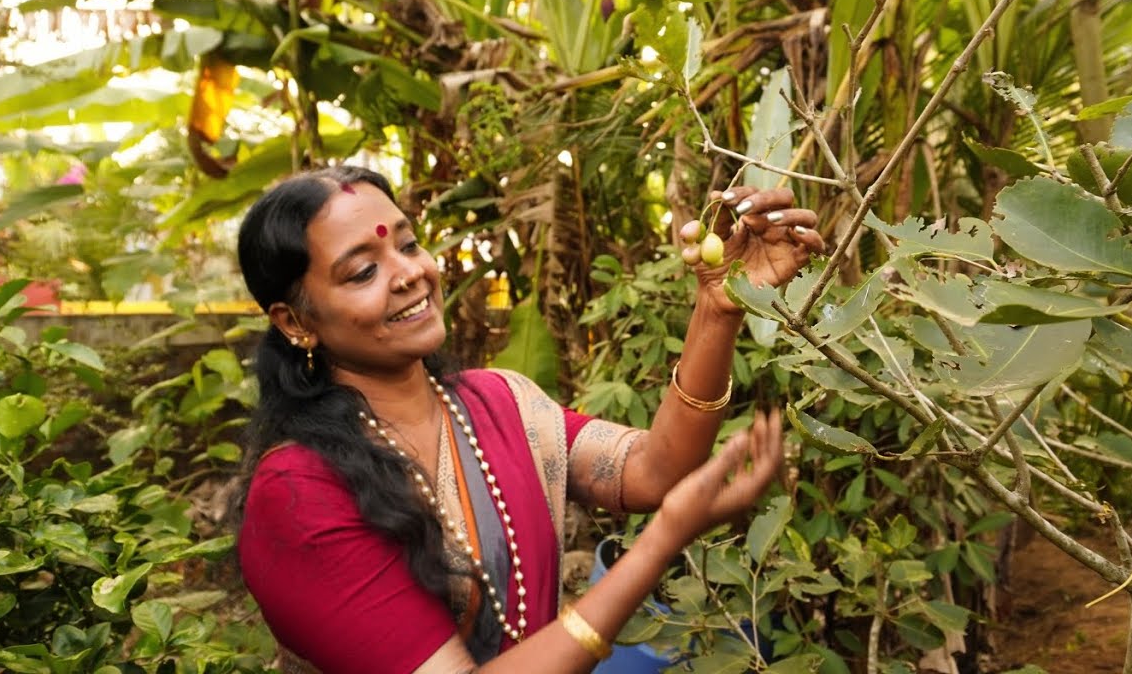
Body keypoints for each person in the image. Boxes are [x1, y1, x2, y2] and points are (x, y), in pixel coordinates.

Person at [233, 164, 825, 673]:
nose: (411, 272)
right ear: (294, 322)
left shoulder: (498, 401)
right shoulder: (298, 495)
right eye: (363, 272)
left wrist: (717, 310)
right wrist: (665, 538)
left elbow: (650, 470)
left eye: (408, 245)